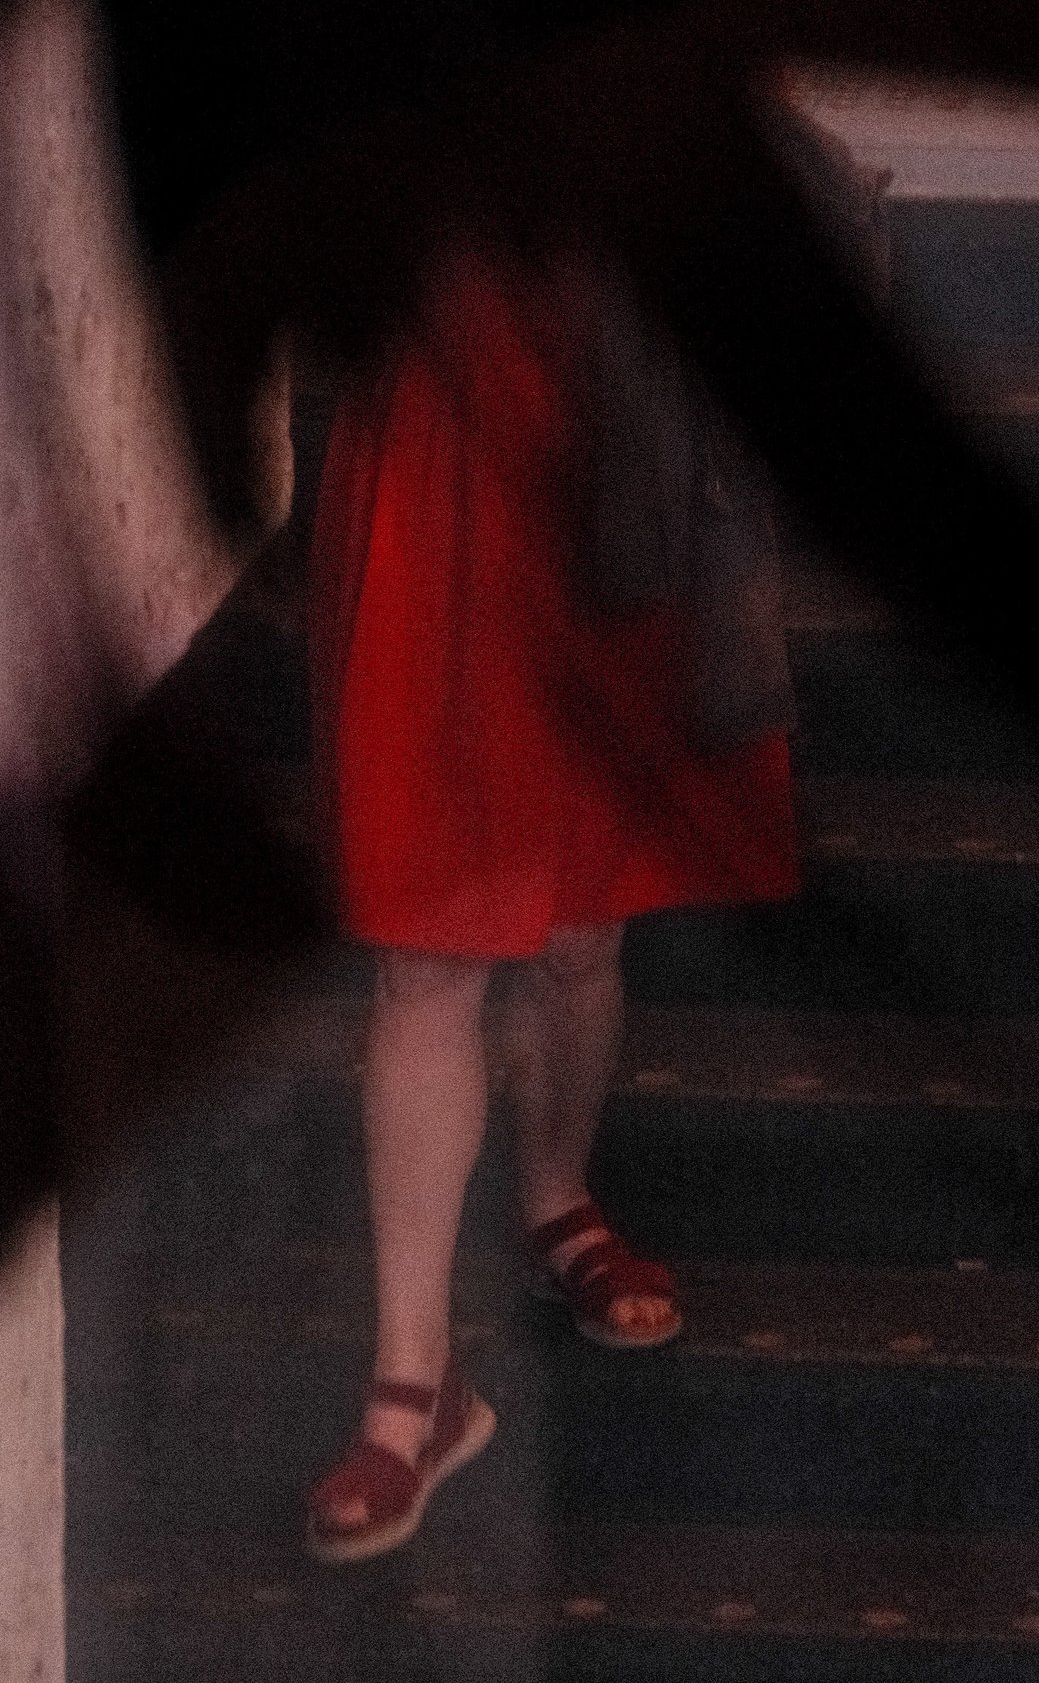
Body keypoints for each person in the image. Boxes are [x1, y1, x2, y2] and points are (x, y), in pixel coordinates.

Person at [301, 243, 800, 1564]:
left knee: (584, 928)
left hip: (615, 424)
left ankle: (557, 1199)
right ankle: (415, 1388)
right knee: (429, 949)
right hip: (438, 419)